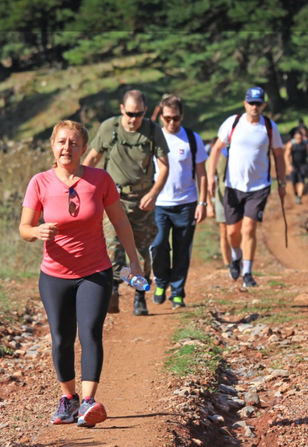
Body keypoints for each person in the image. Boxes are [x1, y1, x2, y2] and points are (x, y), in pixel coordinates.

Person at [19, 120, 144, 427]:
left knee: (89, 333)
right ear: (52, 145)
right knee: (62, 339)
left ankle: (88, 402)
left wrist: (135, 262)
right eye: (62, 142)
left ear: (84, 148)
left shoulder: (100, 180)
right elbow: (23, 229)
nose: (67, 148)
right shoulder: (40, 182)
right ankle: (68, 399)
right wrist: (37, 230)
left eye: (74, 143)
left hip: (95, 272)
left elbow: (121, 222)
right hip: (54, 275)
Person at [83, 90, 170, 316]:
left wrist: (154, 193)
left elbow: (165, 167)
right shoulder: (109, 128)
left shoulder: (152, 131)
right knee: (111, 249)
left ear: (145, 111)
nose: (134, 119)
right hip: (114, 200)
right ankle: (113, 289)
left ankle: (139, 295)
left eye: (139, 114)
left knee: (141, 253)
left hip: (143, 202)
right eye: (130, 113)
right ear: (122, 109)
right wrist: (82, 188)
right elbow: (92, 159)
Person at [207, 86, 286, 287]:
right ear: (245, 103)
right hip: (233, 186)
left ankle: (248, 273)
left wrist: (283, 183)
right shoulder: (232, 123)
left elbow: (278, 155)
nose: (254, 107)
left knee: (249, 228)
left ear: (263, 105)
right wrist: (210, 177)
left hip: (259, 186)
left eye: (258, 103)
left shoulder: (269, 127)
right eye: (251, 103)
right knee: (232, 232)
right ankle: (235, 257)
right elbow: (216, 149)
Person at [150, 95, 208, 309]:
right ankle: (161, 281)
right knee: (158, 244)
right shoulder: (154, 138)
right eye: (167, 118)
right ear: (161, 117)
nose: (171, 123)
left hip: (187, 203)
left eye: (175, 118)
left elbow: (202, 173)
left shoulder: (192, 139)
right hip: (160, 204)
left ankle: (177, 293)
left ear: (182, 116)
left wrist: (203, 203)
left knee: (182, 249)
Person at [206, 141, 232, 269]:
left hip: (240, 195)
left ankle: (239, 259)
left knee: (239, 230)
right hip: (222, 194)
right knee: (224, 231)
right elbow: (206, 179)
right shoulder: (216, 155)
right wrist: (208, 204)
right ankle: (228, 263)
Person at [284, 129, 308, 204]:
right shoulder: (291, 144)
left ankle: (299, 197)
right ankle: (296, 194)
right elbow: (286, 155)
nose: (299, 140)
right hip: (294, 165)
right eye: (297, 138)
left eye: (300, 138)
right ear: (294, 137)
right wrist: (288, 165)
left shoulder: (305, 144)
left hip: (303, 165)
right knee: (293, 183)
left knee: (301, 181)